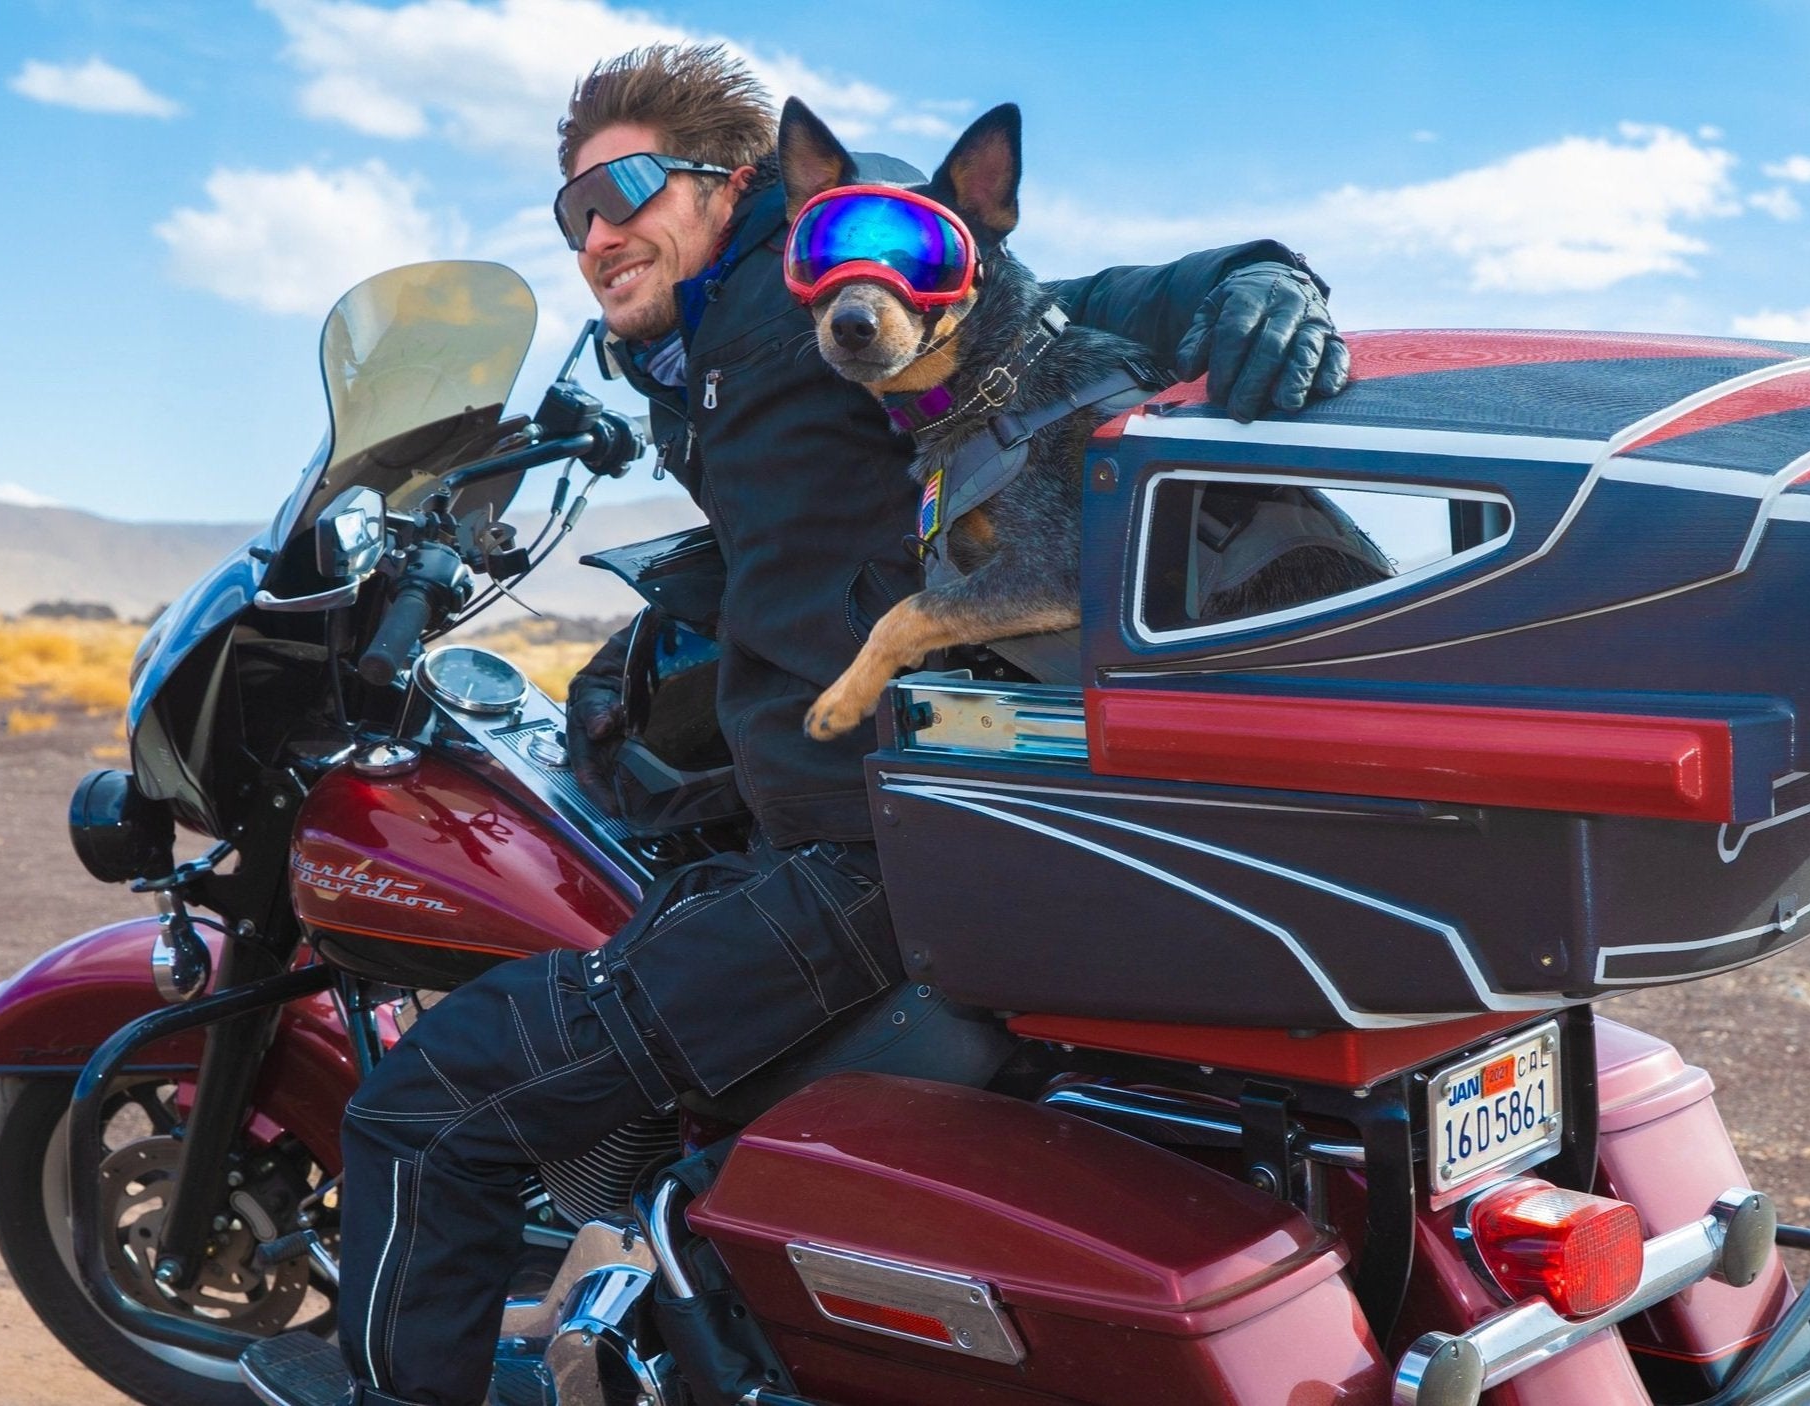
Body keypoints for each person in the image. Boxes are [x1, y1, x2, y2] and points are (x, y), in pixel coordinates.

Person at [297, 43, 1349, 1406]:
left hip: (865, 851)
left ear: (740, 188)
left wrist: (1255, 280)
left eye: (623, 188)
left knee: (431, 1112)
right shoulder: (705, 361)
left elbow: (1056, 300)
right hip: (872, 817)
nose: (597, 232)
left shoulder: (822, 294)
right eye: (574, 212)